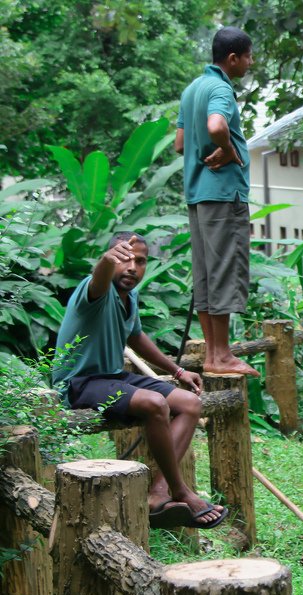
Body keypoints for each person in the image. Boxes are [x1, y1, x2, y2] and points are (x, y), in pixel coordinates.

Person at [53, 232, 227, 529]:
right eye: (125, 258)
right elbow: (99, 277)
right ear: (111, 258)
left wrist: (178, 371)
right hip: (80, 382)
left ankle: (158, 493)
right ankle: (181, 490)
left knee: (189, 403)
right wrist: (108, 260)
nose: (132, 266)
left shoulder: (129, 297)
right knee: (155, 403)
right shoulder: (96, 289)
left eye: (141, 261)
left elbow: (135, 336)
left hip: (113, 377)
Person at [174, 26, 259, 377]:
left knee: (206, 277)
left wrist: (215, 148)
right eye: (249, 56)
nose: (251, 63)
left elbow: (181, 144)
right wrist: (228, 149)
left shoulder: (192, 89)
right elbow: (215, 126)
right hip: (223, 197)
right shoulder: (221, 88)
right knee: (223, 272)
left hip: (197, 196)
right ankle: (222, 356)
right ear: (233, 58)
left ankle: (213, 354)